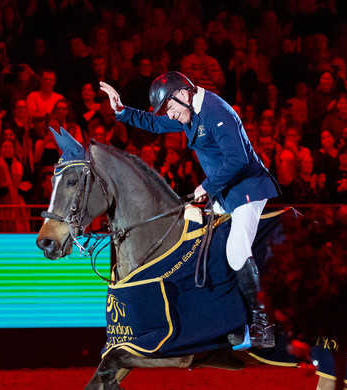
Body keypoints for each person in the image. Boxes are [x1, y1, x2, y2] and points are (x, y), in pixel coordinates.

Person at [100, 71, 280, 348]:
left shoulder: (217, 112)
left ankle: (263, 324)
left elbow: (238, 159)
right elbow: (155, 123)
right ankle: (233, 319)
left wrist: (206, 186)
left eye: (170, 107)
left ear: (183, 94)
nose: (170, 115)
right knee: (211, 251)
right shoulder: (189, 111)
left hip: (248, 189)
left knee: (235, 250)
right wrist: (122, 111)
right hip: (225, 190)